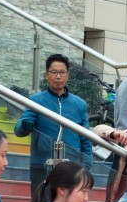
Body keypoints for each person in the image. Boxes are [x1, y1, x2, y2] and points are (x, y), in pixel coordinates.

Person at [14, 54, 95, 189]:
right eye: (54, 72)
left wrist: (86, 165)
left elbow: (85, 138)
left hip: (71, 165)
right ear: (46, 75)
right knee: (42, 201)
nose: (58, 76)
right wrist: (23, 126)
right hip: (42, 164)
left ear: (67, 75)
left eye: (62, 72)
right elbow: (19, 129)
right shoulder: (36, 100)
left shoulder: (79, 104)